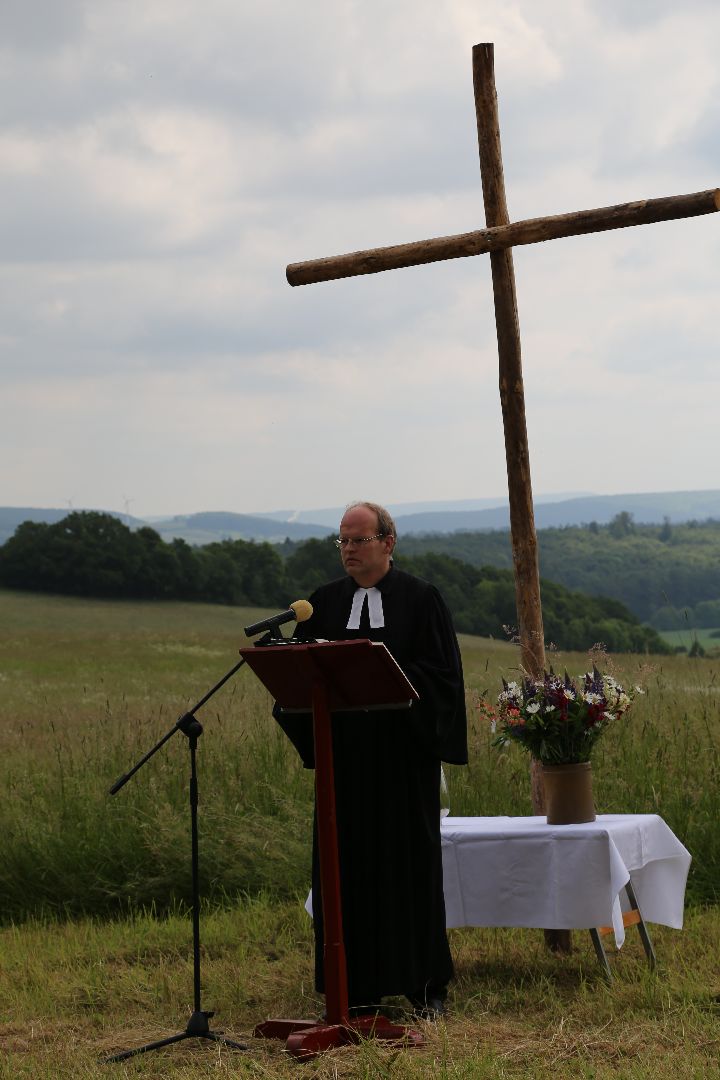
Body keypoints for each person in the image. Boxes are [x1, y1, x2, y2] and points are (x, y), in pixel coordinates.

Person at [274, 501, 467, 1019]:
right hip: (346, 763)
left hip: (402, 763)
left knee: (408, 871)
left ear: (388, 542)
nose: (348, 551)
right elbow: (300, 677)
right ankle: (353, 987)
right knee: (346, 870)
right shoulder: (322, 604)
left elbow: (443, 679)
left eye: (358, 540)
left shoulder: (421, 599)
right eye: (342, 541)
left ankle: (425, 986)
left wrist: (386, 681)